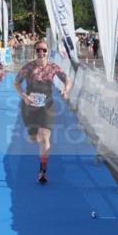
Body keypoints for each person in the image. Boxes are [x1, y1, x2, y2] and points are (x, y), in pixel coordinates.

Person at [14, 39, 73, 184]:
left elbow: (68, 80)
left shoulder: (53, 67)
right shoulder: (28, 67)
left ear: (47, 52)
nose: (41, 52)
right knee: (34, 138)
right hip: (29, 106)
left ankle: (42, 171)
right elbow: (16, 83)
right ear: (35, 51)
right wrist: (24, 96)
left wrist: (66, 90)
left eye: (44, 50)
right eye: (38, 50)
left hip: (47, 106)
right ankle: (36, 140)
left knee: (45, 137)